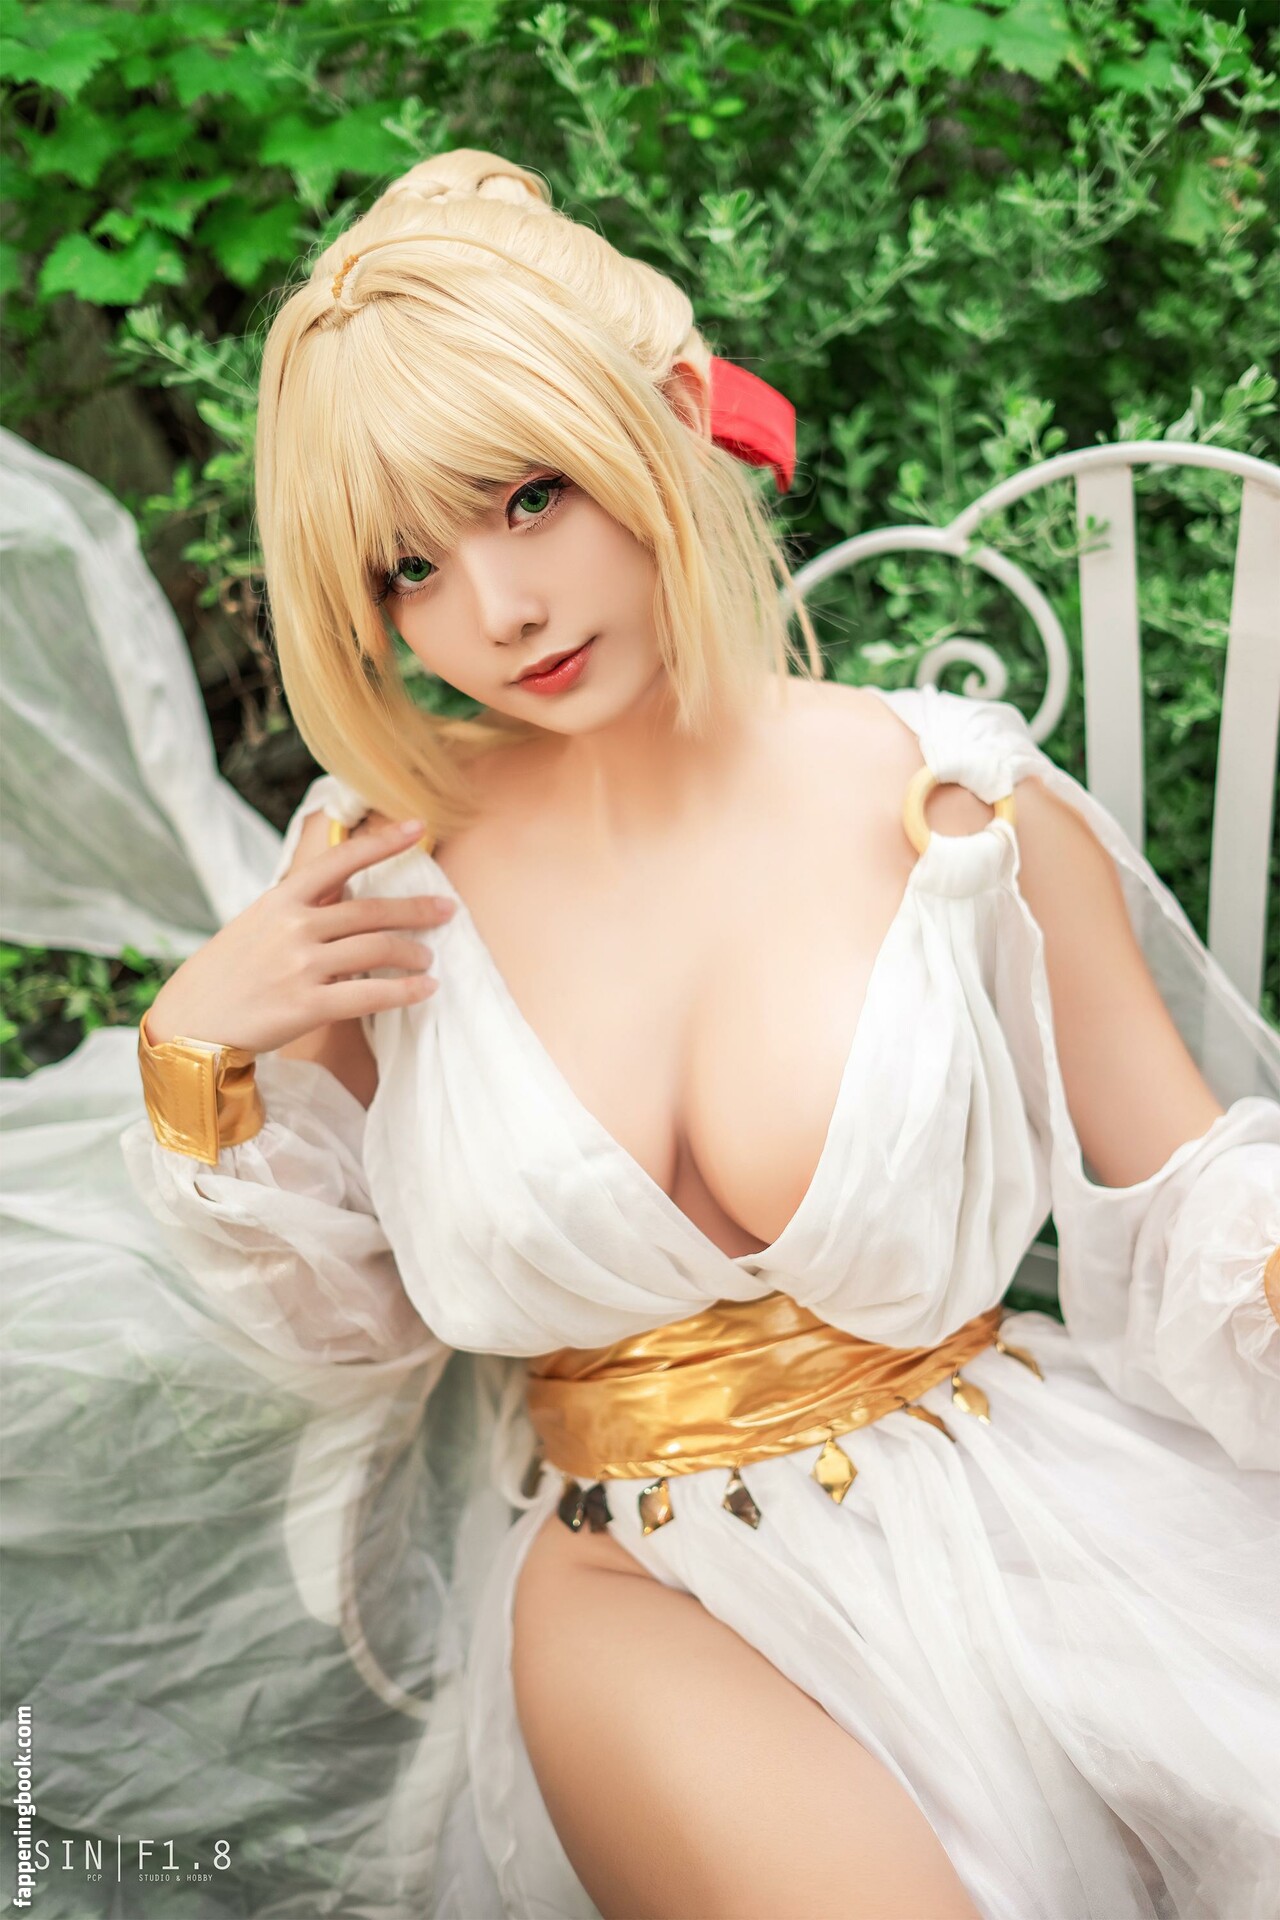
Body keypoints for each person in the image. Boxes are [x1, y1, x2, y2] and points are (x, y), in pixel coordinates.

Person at [4, 147, 1278, 1920]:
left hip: (1033, 1521)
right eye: (407, 569)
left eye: (529, 497)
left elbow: (1193, 1196)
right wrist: (199, 1066)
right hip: (636, 1574)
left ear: (669, 416)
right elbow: (349, 1340)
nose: (496, 613)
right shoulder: (384, 879)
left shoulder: (952, 805)